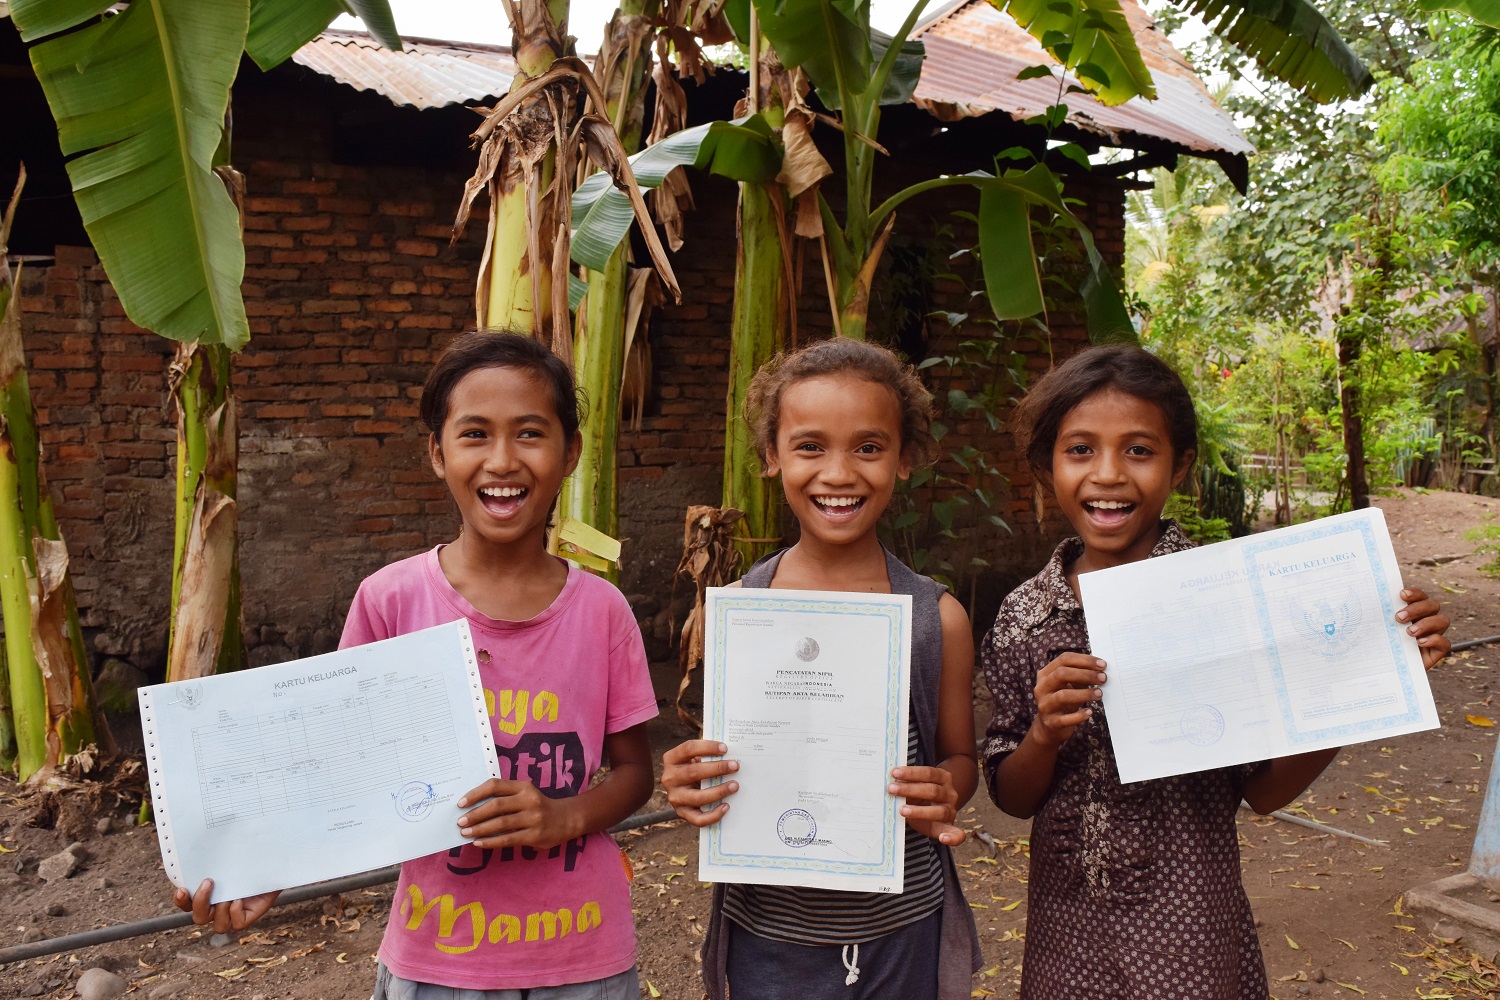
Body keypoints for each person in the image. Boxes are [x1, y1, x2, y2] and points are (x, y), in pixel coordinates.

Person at [174, 331, 658, 1000]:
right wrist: (264, 866)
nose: (502, 460)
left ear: (570, 452)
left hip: (583, 958)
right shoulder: (391, 601)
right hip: (437, 959)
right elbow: (337, 769)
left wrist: (565, 817)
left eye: (529, 433)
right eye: (474, 434)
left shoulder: (602, 611)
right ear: (437, 453)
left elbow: (635, 772)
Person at [982, 344, 1452, 999]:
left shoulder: (1232, 602)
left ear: (1181, 466)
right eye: (1080, 449)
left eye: (1139, 450)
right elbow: (1011, 797)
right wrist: (1043, 734)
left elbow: (1264, 793)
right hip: (1067, 935)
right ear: (1046, 466)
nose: (1108, 474)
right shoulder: (1024, 617)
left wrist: (1369, 679)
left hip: (1192, 929)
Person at [661, 338, 983, 1000]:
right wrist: (693, 781)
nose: (838, 473)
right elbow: (729, 755)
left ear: (904, 459)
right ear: (771, 456)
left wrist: (943, 788)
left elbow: (960, 759)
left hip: (904, 929)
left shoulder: (935, 619)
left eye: (868, 447)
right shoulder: (739, 613)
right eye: (810, 446)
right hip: (769, 935)